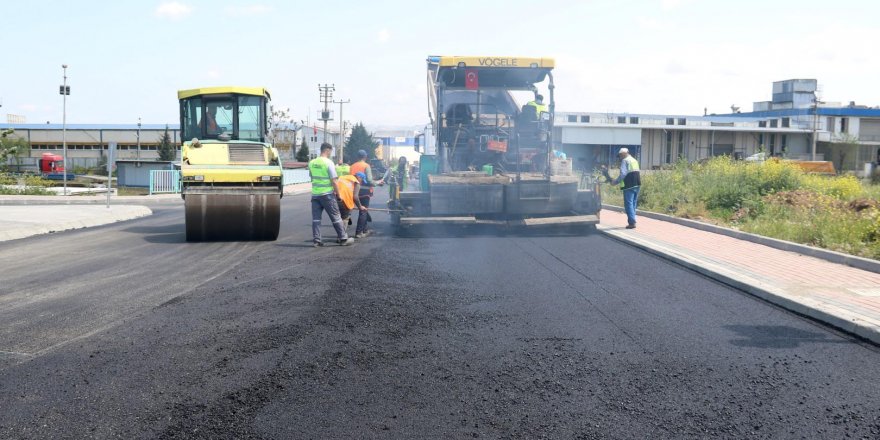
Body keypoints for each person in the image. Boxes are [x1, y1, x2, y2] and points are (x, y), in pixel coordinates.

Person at [308, 143, 354, 246]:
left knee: (316, 219)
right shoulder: (328, 162)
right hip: (327, 194)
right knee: (336, 217)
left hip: (315, 195)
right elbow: (334, 181)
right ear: (327, 150)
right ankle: (343, 238)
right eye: (330, 151)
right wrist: (338, 195)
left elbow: (311, 177)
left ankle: (317, 241)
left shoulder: (311, 162)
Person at [350, 150, 382, 237]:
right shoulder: (366, 166)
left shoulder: (352, 166)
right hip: (364, 191)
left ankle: (365, 230)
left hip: (354, 191)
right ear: (365, 157)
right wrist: (378, 182)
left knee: (362, 210)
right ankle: (359, 232)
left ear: (357, 157)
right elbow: (369, 180)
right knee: (363, 211)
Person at [611, 147, 641, 229]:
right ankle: (633, 220)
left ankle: (632, 223)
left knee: (628, 204)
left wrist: (615, 182)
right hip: (637, 184)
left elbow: (623, 174)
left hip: (629, 185)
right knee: (633, 203)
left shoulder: (625, 161)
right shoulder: (634, 160)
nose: (620, 158)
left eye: (620, 155)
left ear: (623, 154)